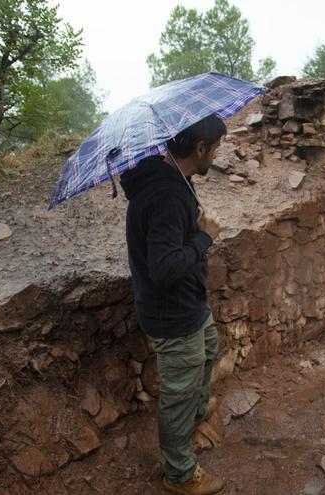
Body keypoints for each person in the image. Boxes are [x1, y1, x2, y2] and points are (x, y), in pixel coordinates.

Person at [119, 114, 226, 495]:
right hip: (172, 312)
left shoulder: (174, 181)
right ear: (200, 149)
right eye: (215, 147)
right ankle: (179, 473)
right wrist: (205, 238)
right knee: (179, 391)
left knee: (209, 350)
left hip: (189, 304)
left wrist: (193, 227)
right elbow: (164, 268)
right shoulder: (165, 195)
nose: (217, 153)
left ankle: (193, 416)